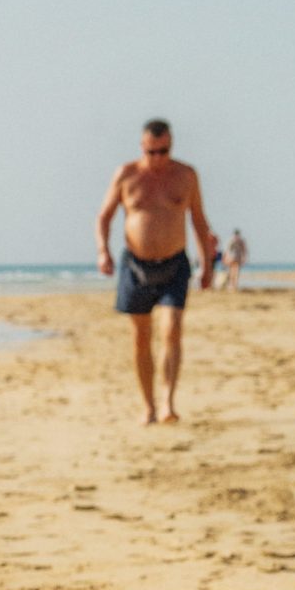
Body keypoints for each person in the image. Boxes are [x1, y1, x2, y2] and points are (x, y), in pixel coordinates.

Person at [96, 118, 216, 425]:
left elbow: (199, 222)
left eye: (164, 151)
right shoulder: (126, 175)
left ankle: (168, 402)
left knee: (172, 329)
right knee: (141, 336)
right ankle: (148, 405)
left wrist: (206, 265)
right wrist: (103, 251)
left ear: (171, 146)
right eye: (152, 152)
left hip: (175, 263)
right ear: (142, 147)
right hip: (135, 264)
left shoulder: (186, 176)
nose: (158, 158)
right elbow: (104, 217)